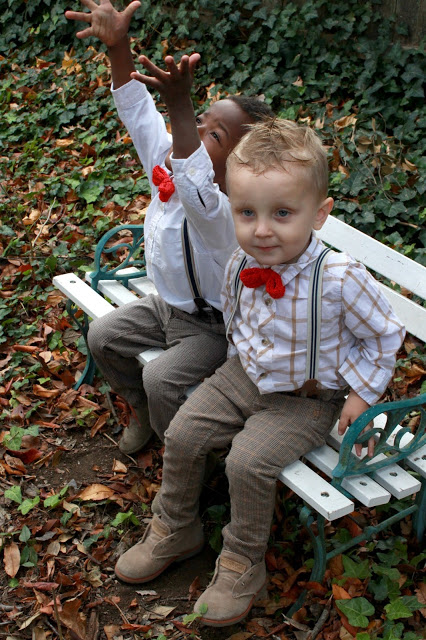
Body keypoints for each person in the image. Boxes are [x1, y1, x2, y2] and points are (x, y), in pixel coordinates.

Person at [113, 119, 405, 627]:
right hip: (244, 376)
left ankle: (242, 563)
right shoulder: (239, 262)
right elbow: (236, 317)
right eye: (246, 212)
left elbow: (384, 334)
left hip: (308, 397)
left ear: (319, 215)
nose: (262, 229)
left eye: (282, 213)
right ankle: (175, 527)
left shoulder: (338, 277)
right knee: (183, 431)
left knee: (247, 462)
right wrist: (236, 365)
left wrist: (359, 394)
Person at [65, 0, 274, 454]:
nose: (197, 132)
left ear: (244, 167)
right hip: (167, 307)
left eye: (214, 135)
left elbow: (197, 185)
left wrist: (180, 104)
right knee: (102, 336)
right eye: (200, 121)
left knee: (161, 377)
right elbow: (140, 114)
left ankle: (182, 459)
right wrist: (119, 48)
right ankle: (142, 410)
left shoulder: (226, 215)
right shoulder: (167, 163)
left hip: (214, 329)